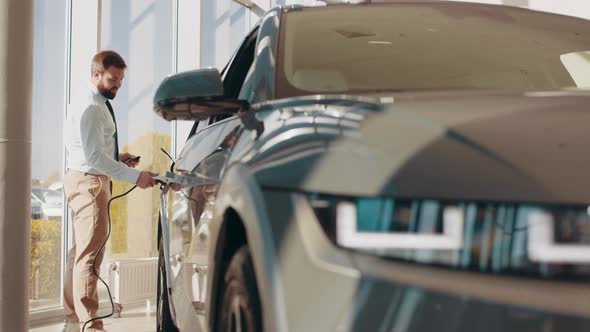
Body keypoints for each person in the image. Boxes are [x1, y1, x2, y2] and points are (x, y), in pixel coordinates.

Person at [62, 50, 157, 332]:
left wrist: (118, 157)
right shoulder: (92, 107)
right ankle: (90, 325)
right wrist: (134, 176)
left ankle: (73, 318)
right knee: (90, 257)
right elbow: (93, 158)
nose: (118, 85)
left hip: (83, 178)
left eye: (121, 80)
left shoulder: (88, 100)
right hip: (90, 183)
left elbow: (91, 150)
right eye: (113, 79)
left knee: (80, 253)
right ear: (96, 74)